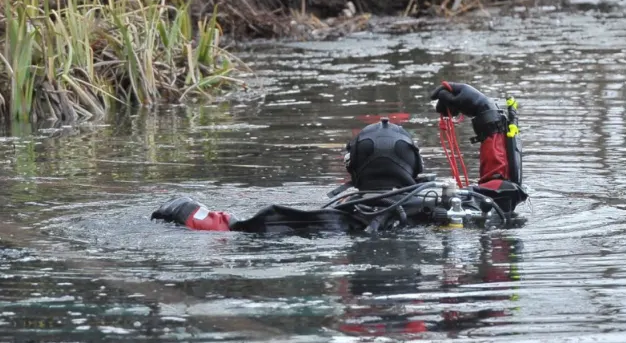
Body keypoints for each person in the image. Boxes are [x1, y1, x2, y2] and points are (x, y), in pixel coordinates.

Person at [151, 82, 525, 233]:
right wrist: (484, 110)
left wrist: (186, 209)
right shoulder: (450, 207)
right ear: (416, 169)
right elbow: (504, 192)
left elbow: (234, 228)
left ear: (352, 172)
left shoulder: (335, 215)